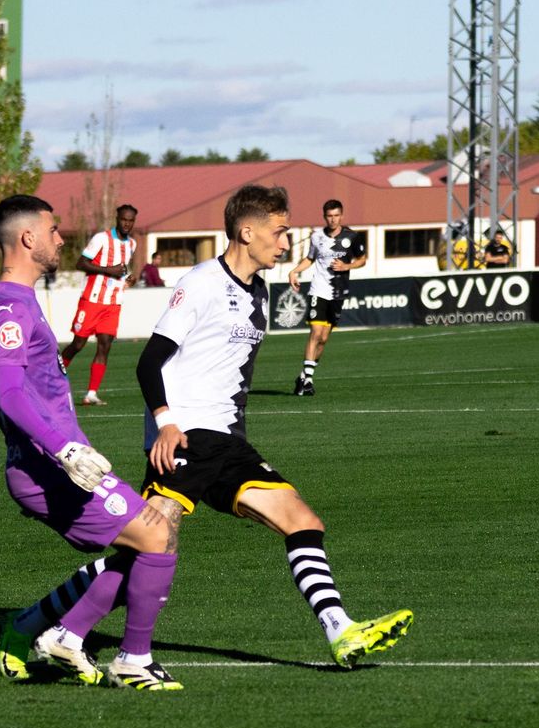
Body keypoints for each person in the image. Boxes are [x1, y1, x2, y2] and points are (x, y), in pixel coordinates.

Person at [134, 184, 412, 666]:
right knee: (146, 550)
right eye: (280, 232)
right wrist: (164, 423)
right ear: (247, 232)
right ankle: (43, 624)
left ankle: (341, 631)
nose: (286, 244)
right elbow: (148, 362)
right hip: (185, 438)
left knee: (302, 521)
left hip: (227, 441)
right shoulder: (202, 281)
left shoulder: (259, 290)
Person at [0, 195, 183, 691]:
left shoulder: (24, 299)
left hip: (60, 462)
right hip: (48, 468)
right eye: (53, 230)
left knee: (146, 540)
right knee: (156, 536)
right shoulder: (8, 303)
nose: (60, 238)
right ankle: (132, 658)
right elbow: (8, 392)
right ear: (28, 238)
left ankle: (50, 632)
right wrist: (64, 449)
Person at [60, 203, 143, 406]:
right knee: (78, 344)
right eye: (124, 219)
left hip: (113, 302)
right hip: (92, 300)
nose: (127, 223)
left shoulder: (131, 244)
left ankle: (91, 393)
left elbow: (122, 269)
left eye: (131, 220)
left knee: (105, 345)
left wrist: (129, 277)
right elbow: (80, 263)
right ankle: (48, 381)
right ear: (117, 219)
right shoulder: (101, 239)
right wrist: (109, 270)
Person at [287, 198, 368, 396]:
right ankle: (308, 382)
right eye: (329, 216)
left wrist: (347, 266)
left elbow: (362, 259)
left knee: (323, 339)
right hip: (319, 289)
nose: (333, 219)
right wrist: (294, 271)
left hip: (338, 292)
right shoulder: (316, 237)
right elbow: (310, 258)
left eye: (336, 215)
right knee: (316, 332)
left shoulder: (352, 237)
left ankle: (303, 377)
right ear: (324, 217)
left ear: (341, 215)